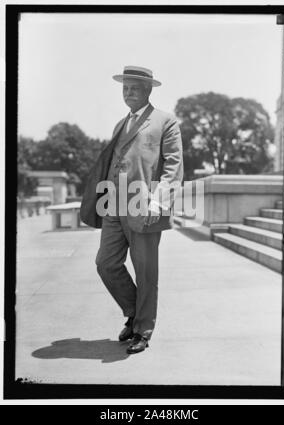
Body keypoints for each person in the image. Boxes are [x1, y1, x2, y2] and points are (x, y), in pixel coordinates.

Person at [80, 65, 183, 354]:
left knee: (145, 271)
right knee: (106, 263)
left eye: (134, 87)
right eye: (125, 87)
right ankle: (134, 312)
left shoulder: (166, 121)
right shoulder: (119, 125)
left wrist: (159, 201)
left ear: (148, 90)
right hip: (114, 204)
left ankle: (143, 330)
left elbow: (174, 165)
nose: (128, 92)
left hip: (146, 204)